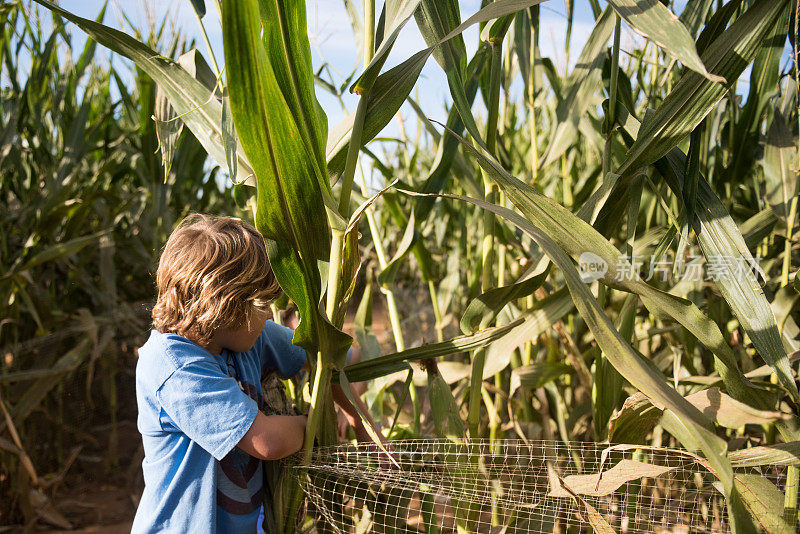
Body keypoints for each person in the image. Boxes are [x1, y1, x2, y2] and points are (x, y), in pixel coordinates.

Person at [132, 214, 374, 533]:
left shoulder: (246, 337)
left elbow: (327, 356)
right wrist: (318, 423)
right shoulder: (174, 367)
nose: (269, 314)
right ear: (224, 308)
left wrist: (362, 413)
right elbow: (266, 441)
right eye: (261, 304)